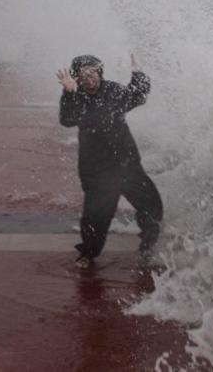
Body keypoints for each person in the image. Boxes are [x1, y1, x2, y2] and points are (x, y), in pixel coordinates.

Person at [56, 53, 163, 268]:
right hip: (97, 171)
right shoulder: (76, 97)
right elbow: (67, 120)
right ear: (77, 77)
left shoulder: (113, 90)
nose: (90, 77)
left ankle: (146, 248)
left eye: (93, 72)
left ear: (100, 72)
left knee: (152, 207)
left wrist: (138, 74)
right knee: (96, 218)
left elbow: (138, 96)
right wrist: (68, 93)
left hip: (127, 165)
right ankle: (88, 253)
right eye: (84, 74)